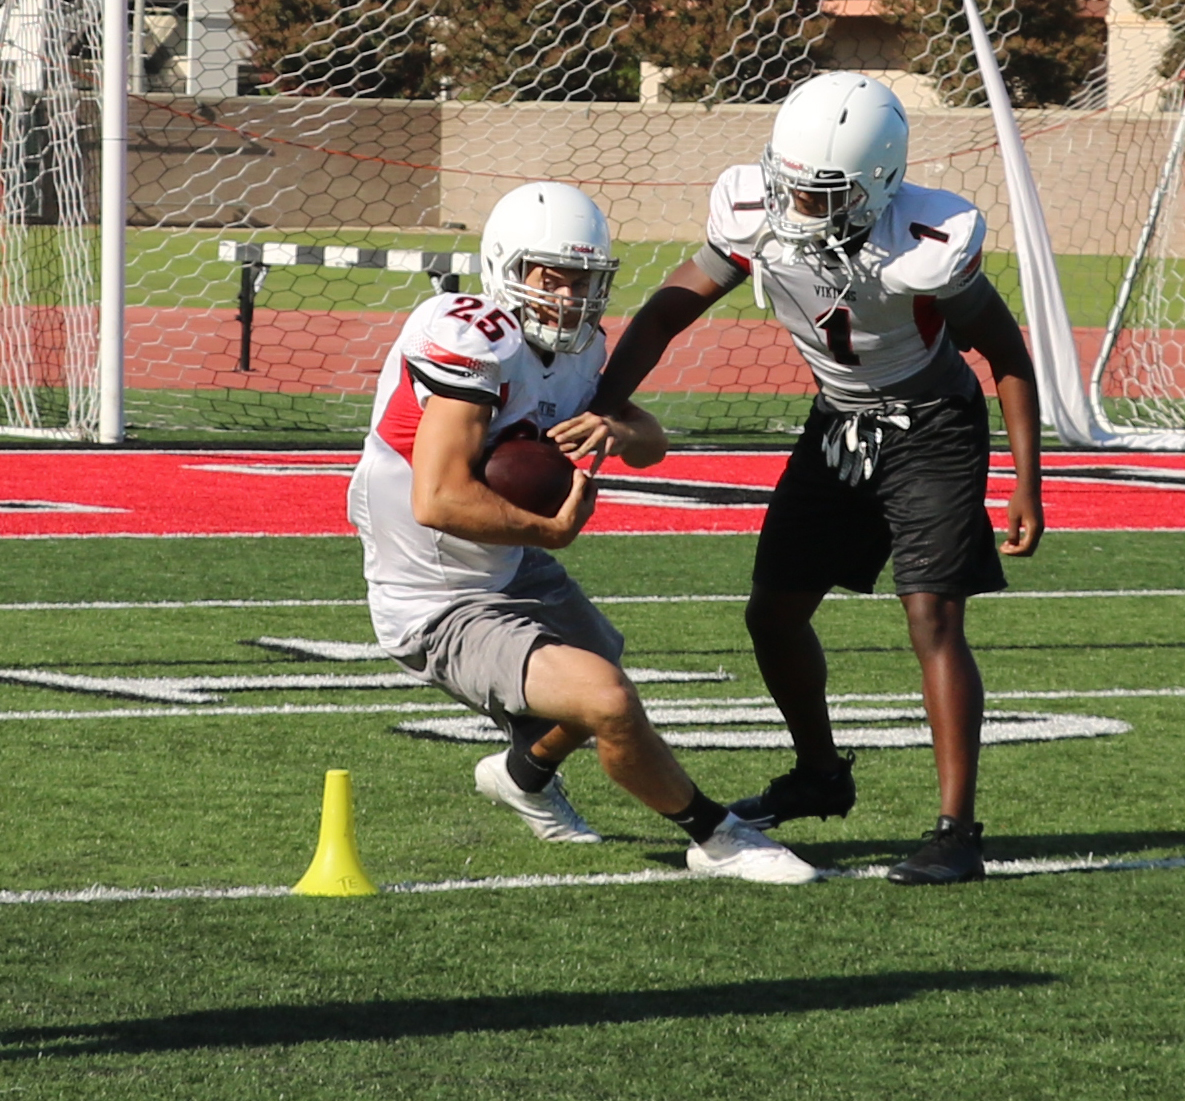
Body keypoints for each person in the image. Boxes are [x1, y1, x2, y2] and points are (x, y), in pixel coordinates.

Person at [579, 72, 1044, 885]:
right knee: (773, 611)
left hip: (932, 425)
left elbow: (1006, 354)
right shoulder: (756, 211)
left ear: (878, 184)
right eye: (789, 183)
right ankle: (821, 773)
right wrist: (604, 403)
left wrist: (1027, 481)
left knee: (932, 615)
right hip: (838, 419)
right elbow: (666, 310)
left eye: (822, 193)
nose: (796, 204)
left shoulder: (926, 241)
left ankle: (957, 831)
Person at [346, 180, 818, 885]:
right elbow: (438, 499)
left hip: (507, 562)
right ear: (506, 268)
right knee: (606, 699)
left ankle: (522, 773)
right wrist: (551, 530)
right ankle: (717, 836)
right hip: (436, 595)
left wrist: (615, 428)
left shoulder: (578, 349)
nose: (568, 297)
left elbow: (652, 442)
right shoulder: (469, 336)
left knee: (602, 661)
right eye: (551, 278)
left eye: (583, 280)